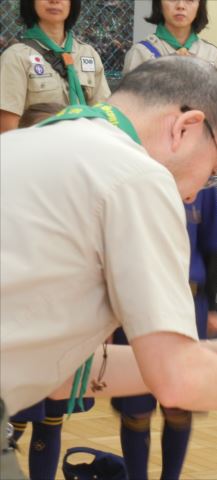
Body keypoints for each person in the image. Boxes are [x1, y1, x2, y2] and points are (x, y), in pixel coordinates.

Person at [0, 55, 217, 479]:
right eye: (215, 171)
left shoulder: (34, 143)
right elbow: (177, 383)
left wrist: (202, 356)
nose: (199, 193)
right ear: (185, 127)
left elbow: (60, 374)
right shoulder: (139, 176)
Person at [116, 2, 217, 477]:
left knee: (180, 402)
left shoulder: (212, 55)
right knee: (136, 405)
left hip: (189, 304)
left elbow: (214, 247)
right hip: (140, 304)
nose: (181, 3)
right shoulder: (141, 54)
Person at [7, 102, 95, 480]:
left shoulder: (80, 196)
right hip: (16, 333)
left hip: (64, 325)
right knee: (13, 423)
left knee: (52, 417)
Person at [0, 0, 110, 132]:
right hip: (39, 149)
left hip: (83, 146)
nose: (54, 1)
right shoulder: (16, 56)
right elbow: (8, 127)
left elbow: (104, 113)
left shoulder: (88, 53)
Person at [123, 0, 217, 75]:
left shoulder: (212, 55)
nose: (180, 5)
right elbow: (129, 103)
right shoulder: (141, 53)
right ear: (159, 4)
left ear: (200, 5)